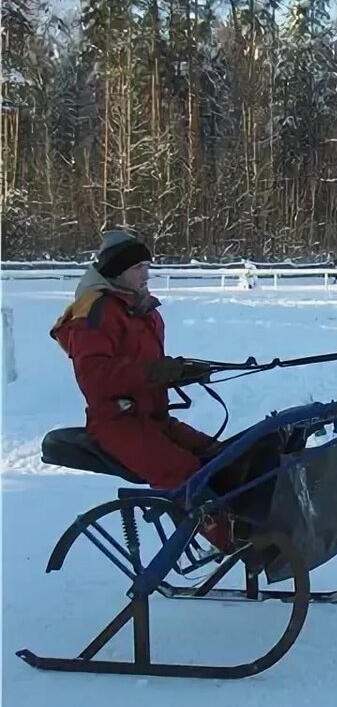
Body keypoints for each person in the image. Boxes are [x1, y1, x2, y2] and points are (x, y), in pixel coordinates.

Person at [49, 229, 245, 554]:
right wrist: (155, 372)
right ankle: (231, 544)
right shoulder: (95, 312)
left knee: (218, 455)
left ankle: (242, 528)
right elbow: (94, 377)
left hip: (153, 418)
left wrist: (180, 371)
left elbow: (145, 366)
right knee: (183, 470)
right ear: (117, 272)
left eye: (146, 266)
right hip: (116, 423)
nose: (147, 274)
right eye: (138, 267)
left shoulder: (143, 309)